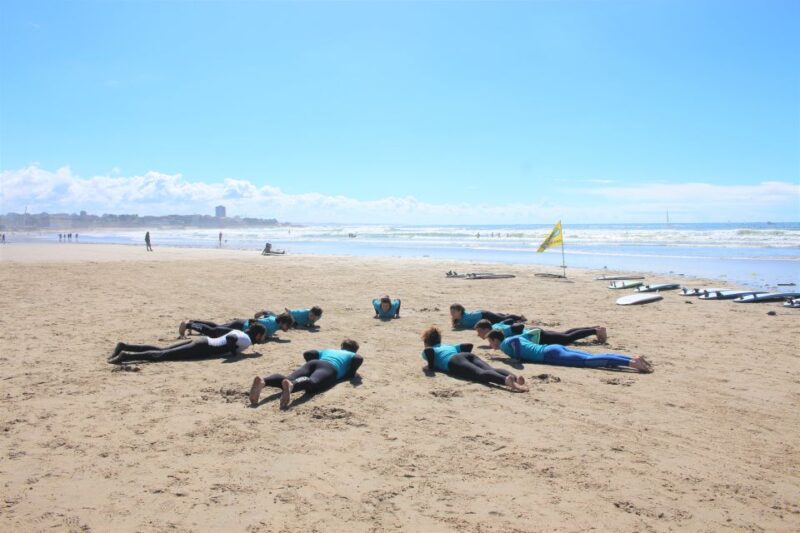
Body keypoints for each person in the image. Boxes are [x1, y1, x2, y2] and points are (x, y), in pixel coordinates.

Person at [249, 339, 363, 409]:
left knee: (287, 378)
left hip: (314, 362)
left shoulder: (329, 350)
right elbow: (359, 358)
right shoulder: (351, 354)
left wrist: (310, 365)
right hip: (330, 368)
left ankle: (264, 381)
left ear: (342, 347)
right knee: (313, 385)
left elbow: (309, 353)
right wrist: (351, 374)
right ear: (354, 350)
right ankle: (293, 385)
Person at [486, 330, 653, 372]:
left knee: (589, 362)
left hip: (550, 355)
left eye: (490, 342)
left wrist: (517, 359)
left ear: (495, 339)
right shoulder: (513, 338)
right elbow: (527, 336)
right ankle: (632, 358)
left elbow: (514, 342)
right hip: (553, 348)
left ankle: (631, 363)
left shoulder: (505, 342)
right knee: (592, 357)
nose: (491, 345)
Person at [421, 327, 528, 392]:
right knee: (492, 369)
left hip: (453, 361)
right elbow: (468, 345)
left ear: (426, 342)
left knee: (480, 374)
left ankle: (507, 382)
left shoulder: (430, 349)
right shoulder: (447, 345)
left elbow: (428, 351)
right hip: (466, 355)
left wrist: (430, 367)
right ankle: (515, 378)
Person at [108, 323, 267, 364]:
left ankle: (124, 346)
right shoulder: (246, 340)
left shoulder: (242, 334)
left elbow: (230, 336)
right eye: (263, 337)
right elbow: (231, 340)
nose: (263, 340)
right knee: (162, 355)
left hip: (202, 342)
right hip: (203, 348)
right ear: (258, 335)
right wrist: (234, 355)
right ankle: (125, 356)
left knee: (161, 350)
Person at [474, 319, 607, 345]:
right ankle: (592, 327)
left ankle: (596, 330)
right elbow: (509, 320)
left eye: (479, 332)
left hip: (536, 336)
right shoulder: (496, 330)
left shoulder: (499, 331)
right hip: (536, 334)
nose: (478, 335)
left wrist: (522, 334)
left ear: (487, 329)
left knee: (566, 339)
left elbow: (518, 327)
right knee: (565, 334)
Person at [178, 311, 293, 339]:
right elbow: (256, 322)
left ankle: (193, 322)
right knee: (215, 332)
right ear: (282, 322)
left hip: (240, 322)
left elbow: (264, 312)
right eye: (288, 325)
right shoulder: (272, 325)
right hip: (241, 326)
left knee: (217, 327)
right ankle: (188, 325)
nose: (288, 328)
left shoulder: (274, 318)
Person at [449, 304, 525, 329]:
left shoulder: (467, 316)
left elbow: (480, 314)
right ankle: (503, 315)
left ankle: (520, 318)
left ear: (460, 311)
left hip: (485, 315)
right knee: (499, 317)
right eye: (451, 312)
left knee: (502, 319)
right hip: (483, 314)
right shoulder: (457, 319)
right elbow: (455, 326)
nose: (452, 314)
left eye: (454, 312)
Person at [255, 306, 323, 329]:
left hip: (297, 322)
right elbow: (289, 313)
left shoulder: (319, 316)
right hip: (290, 318)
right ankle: (265, 312)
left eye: (315, 318)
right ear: (309, 312)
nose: (312, 318)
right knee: (275, 319)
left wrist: (312, 325)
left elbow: (310, 322)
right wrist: (295, 325)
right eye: (311, 316)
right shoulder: (301, 313)